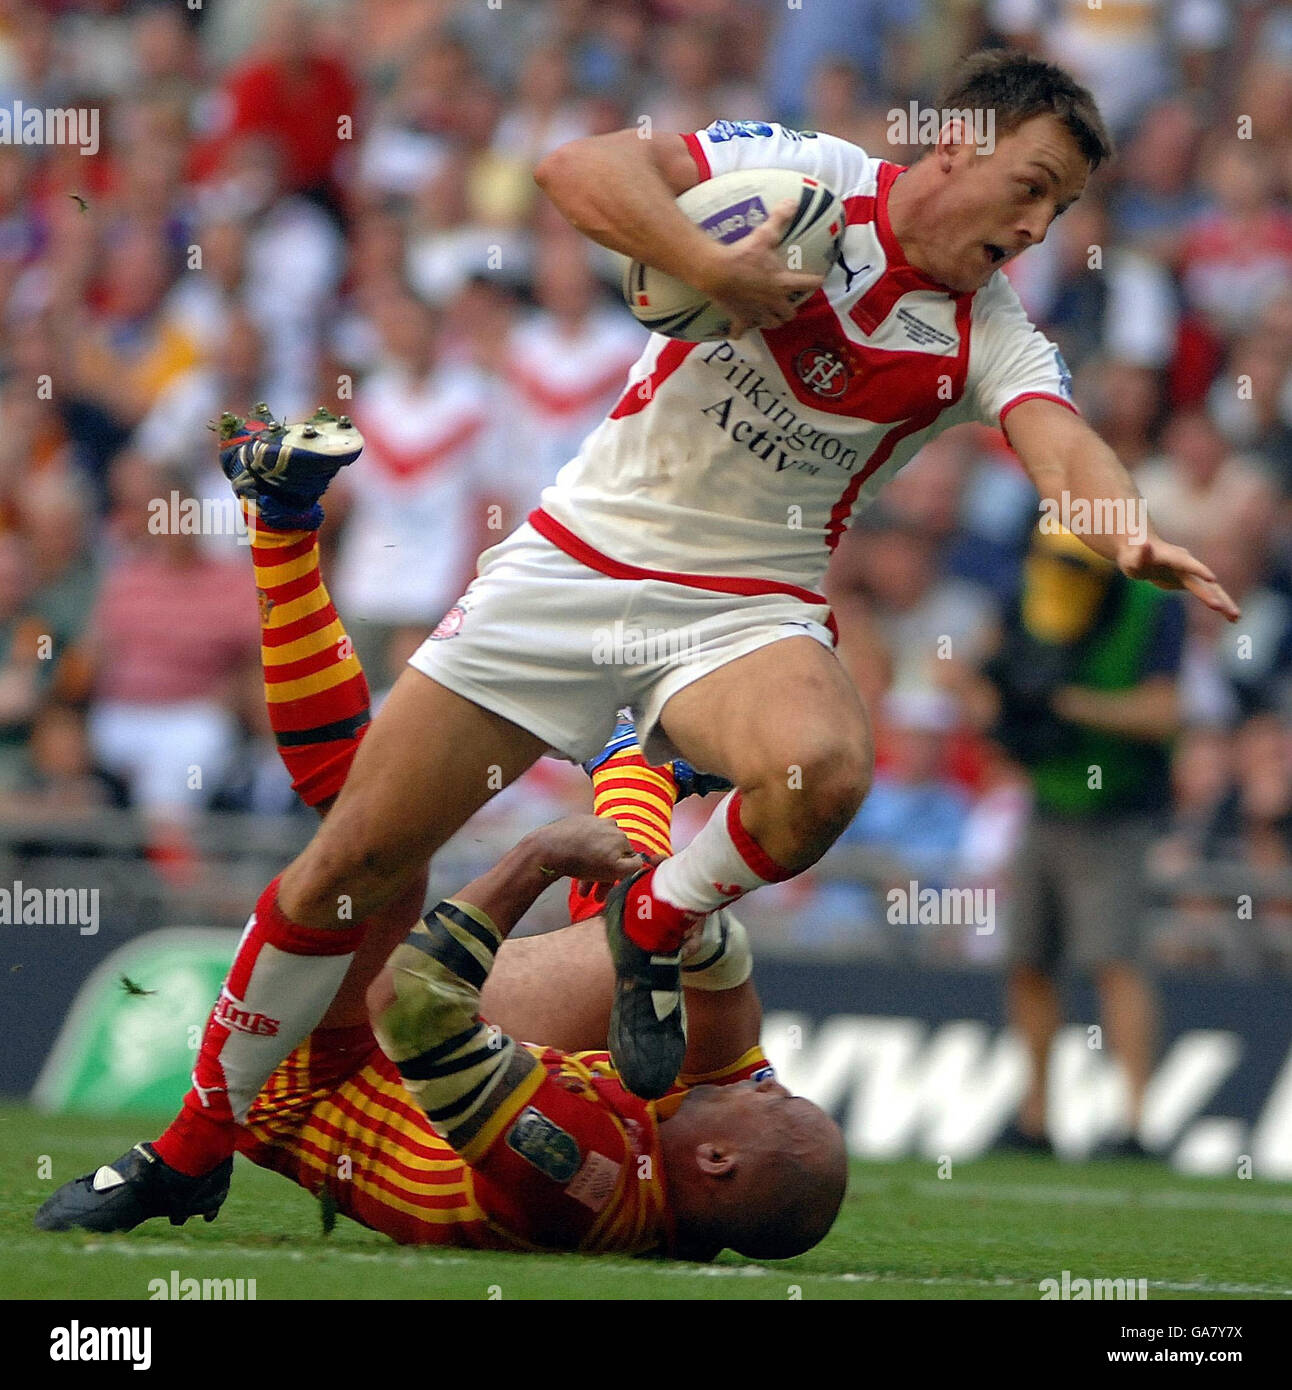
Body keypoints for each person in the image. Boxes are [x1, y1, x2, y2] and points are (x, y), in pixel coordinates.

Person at [53, 49, 1238, 1232]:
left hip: (745, 603)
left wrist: (1120, 525)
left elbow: (1059, 440)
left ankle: (654, 920)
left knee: (820, 770)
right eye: (1028, 186)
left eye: (1060, 207)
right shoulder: (806, 180)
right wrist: (709, 266)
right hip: (574, 562)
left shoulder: (988, 333)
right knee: (350, 865)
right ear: (955, 145)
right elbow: (580, 168)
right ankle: (189, 1148)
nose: (1036, 226)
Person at [37, 484, 846, 1259]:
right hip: (439, 1059)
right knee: (644, 944)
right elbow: (720, 982)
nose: (770, 1083)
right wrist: (679, 910)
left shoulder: (576, 1172)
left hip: (327, 1073)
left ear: (717, 1161)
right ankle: (630, 755)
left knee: (390, 846)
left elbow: (412, 1009)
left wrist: (535, 858)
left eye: (774, 1100)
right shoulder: (703, 1149)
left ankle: (281, 529)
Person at [980, 525, 1185, 1156]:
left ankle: (1136, 1123)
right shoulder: (1026, 595)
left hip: (1115, 812)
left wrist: (1065, 703)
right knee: (1028, 960)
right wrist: (1004, 707)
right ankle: (1036, 1116)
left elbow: (1163, 714)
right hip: (1045, 801)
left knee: (1115, 960)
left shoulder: (1152, 607)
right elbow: (972, 677)